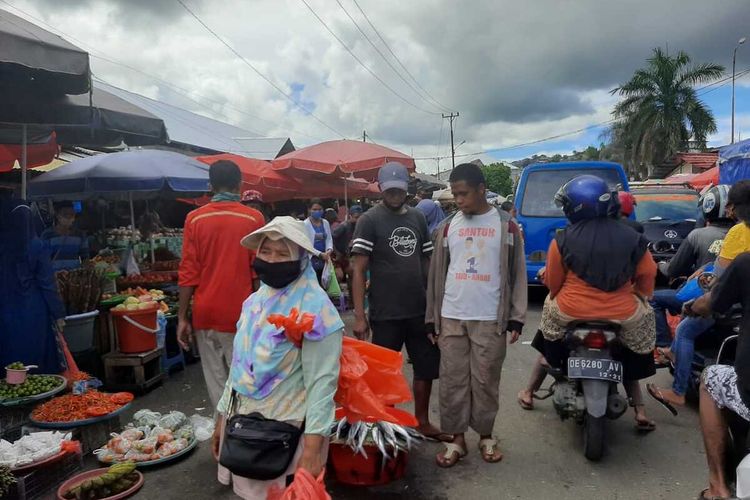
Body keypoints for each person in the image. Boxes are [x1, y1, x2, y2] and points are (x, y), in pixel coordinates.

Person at [213, 216, 343, 499]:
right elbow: (238, 365)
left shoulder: (316, 310)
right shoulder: (254, 302)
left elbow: (323, 383)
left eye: (283, 253)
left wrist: (312, 449)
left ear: (301, 259)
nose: (272, 260)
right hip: (244, 426)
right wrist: (221, 416)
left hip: (289, 434)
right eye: (266, 251)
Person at [535, 175, 658, 431]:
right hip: (623, 315)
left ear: (576, 206)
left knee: (549, 310)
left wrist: (558, 294)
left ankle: (553, 360)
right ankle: (635, 383)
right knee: (643, 328)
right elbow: (647, 275)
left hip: (572, 311)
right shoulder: (634, 237)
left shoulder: (561, 239)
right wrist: (641, 294)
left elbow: (554, 283)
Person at [425, 163, 527, 467]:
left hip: (489, 317)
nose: (458, 200)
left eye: (463, 193)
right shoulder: (446, 227)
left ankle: (485, 435)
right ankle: (457, 439)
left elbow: (517, 272)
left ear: (481, 189)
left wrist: (517, 316)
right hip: (452, 315)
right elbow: (435, 275)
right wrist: (432, 317)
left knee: (485, 381)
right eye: (455, 194)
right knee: (453, 381)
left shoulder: (506, 226)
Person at [351, 162, 449, 441]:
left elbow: (427, 261)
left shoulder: (418, 218)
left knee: (426, 366)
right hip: (385, 312)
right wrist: (360, 316)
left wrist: (436, 303)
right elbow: (357, 269)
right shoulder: (369, 220)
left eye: (400, 190)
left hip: (419, 311)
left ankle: (422, 421)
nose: (395, 195)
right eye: (390, 190)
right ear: (381, 189)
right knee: (385, 373)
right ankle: (388, 422)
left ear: (408, 189)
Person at [648, 181, 750, 409]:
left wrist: (698, 298)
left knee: (684, 328)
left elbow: (719, 280)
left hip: (728, 303)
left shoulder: (735, 232)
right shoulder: (729, 232)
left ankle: (678, 390)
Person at [178, 160, 265, 410]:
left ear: (210, 186)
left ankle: (222, 439)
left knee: (217, 385)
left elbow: (188, 273)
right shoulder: (253, 218)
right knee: (246, 384)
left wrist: (182, 317)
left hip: (205, 314)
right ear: (240, 185)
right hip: (242, 314)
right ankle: (243, 436)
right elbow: (258, 272)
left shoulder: (194, 219)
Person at [686, 253, 750, 500]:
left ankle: (717, 487)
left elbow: (710, 303)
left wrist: (692, 307)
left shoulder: (745, 263)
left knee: (710, 378)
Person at [650, 185, 733, 349]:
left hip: (705, 299)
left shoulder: (698, 235)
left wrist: (660, 264)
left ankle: (666, 347)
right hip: (736, 302)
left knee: (654, 300)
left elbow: (673, 270)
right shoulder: (742, 233)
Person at [0, 201, 66, 373]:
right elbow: (47, 284)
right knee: (37, 352)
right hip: (33, 309)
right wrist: (58, 313)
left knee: (11, 353)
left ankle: (13, 389)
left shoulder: (3, 247)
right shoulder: (37, 245)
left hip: (6, 309)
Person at [41, 203, 89, 272]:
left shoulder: (80, 235)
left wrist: (83, 273)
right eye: (66, 214)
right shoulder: (47, 235)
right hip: (53, 277)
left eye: (72, 215)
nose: (69, 217)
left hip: (73, 277)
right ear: (58, 215)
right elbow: (42, 259)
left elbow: (85, 258)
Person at [303, 199, 333, 284]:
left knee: (325, 284)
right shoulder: (305, 224)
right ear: (309, 210)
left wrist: (329, 250)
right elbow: (306, 244)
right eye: (314, 209)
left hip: (325, 260)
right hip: (311, 260)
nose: (317, 211)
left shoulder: (325, 223)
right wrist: (319, 254)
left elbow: (329, 239)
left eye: (319, 209)